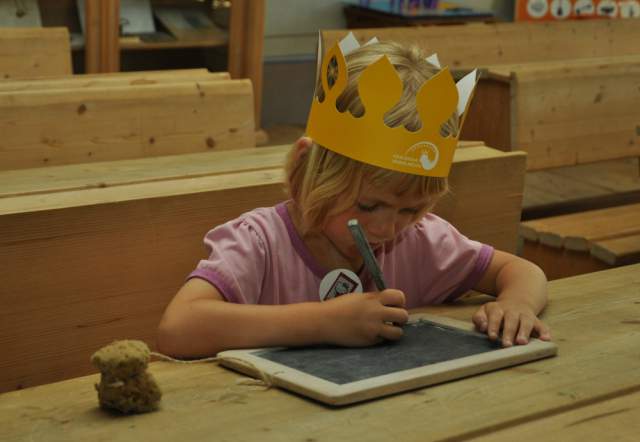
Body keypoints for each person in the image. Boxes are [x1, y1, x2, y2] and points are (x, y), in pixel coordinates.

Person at [157, 39, 551, 358]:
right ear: (303, 171)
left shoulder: (419, 241)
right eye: (368, 205)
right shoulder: (259, 243)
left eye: (411, 209)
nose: (387, 228)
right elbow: (178, 329)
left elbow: (521, 270)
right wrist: (322, 322)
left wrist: (517, 303)